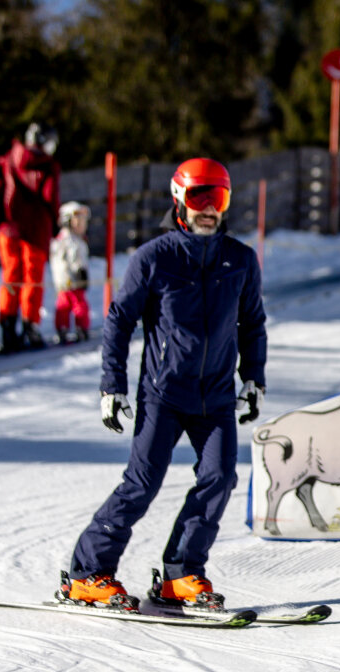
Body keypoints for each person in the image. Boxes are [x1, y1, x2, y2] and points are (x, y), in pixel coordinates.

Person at [62, 157, 267, 612]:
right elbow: (119, 321)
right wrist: (111, 386)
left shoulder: (240, 260)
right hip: (164, 393)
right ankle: (87, 573)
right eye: (200, 197)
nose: (209, 208)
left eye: (219, 197)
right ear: (180, 199)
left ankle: (181, 572)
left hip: (214, 396)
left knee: (219, 478)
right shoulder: (155, 258)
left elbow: (252, 323)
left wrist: (253, 378)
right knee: (143, 483)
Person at [0, 123, 62, 353]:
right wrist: (55, 224)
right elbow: (51, 198)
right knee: (32, 278)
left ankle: (8, 327)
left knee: (11, 277)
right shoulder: (48, 166)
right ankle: (30, 326)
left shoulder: (12, 155)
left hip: (8, 227)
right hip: (35, 230)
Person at [50, 202, 91, 344]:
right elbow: (63, 261)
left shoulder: (77, 240)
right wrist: (76, 273)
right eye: (77, 222)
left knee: (74, 304)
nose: (82, 225)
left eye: (83, 222)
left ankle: (77, 327)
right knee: (71, 305)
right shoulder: (66, 240)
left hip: (73, 280)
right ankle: (68, 328)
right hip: (69, 280)